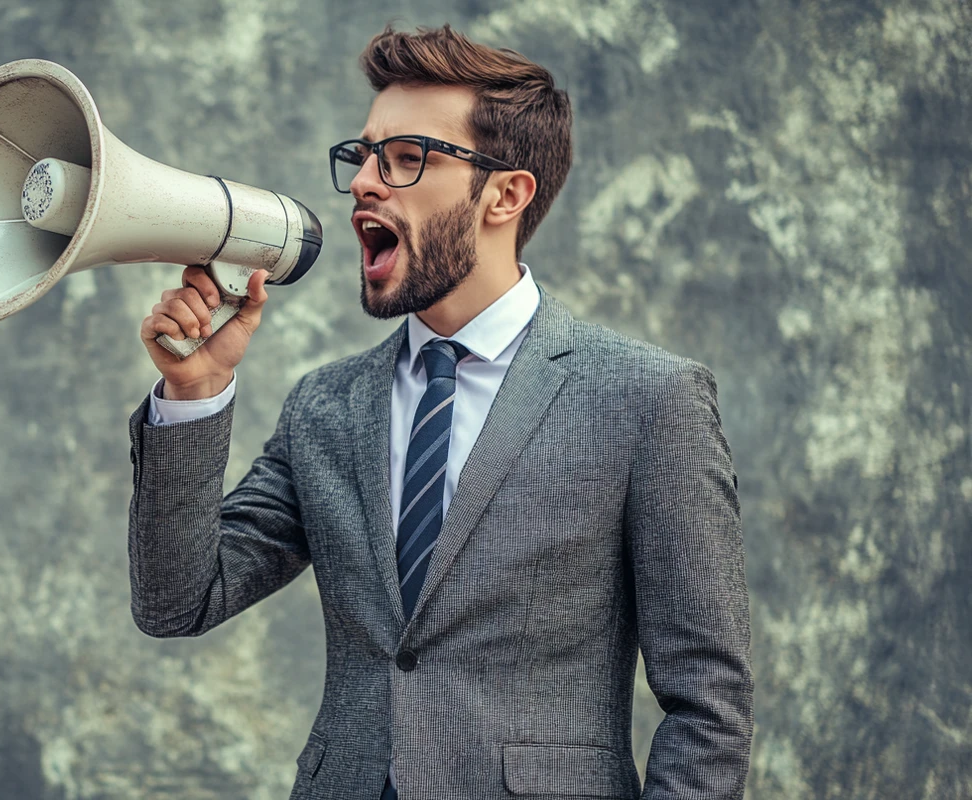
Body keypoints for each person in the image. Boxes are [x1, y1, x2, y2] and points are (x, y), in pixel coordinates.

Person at [128, 23, 753, 800]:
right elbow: (176, 601)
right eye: (362, 155)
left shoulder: (648, 402)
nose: (363, 182)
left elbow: (709, 706)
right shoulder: (325, 406)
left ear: (506, 194)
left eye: (406, 157)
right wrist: (193, 393)